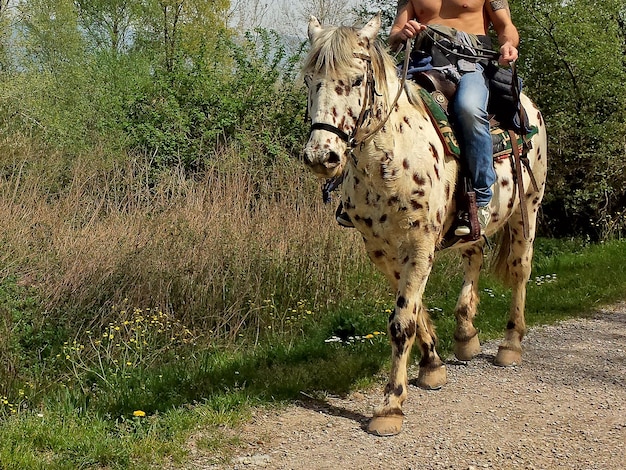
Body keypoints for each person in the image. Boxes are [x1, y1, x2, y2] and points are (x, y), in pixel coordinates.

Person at [388, 0, 520, 236]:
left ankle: (480, 198)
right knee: (379, 100)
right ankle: (356, 190)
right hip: (422, 62)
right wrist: (403, 33)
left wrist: (508, 45)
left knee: (469, 109)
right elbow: (395, 35)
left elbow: (505, 26)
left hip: (471, 62)